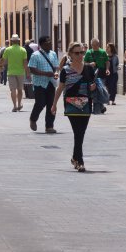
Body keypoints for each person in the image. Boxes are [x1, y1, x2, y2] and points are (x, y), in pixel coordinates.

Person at [50, 42, 97, 172]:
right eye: (77, 53)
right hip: (71, 103)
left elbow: (93, 84)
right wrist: (54, 105)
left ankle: (75, 157)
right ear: (70, 54)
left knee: (81, 133)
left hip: (86, 104)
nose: (80, 55)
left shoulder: (88, 68)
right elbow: (60, 88)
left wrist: (93, 87)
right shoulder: (65, 70)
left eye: (82, 53)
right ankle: (80, 161)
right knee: (78, 132)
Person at [28, 36, 60, 134]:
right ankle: (33, 119)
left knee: (51, 104)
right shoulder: (35, 55)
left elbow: (56, 67)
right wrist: (45, 73)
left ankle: (49, 126)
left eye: (50, 42)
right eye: (47, 43)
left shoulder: (53, 54)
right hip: (40, 83)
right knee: (40, 103)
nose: (50, 44)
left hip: (50, 83)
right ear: (41, 45)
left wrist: (55, 73)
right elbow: (32, 69)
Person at [1, 34, 29, 112]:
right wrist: (27, 73)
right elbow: (25, 63)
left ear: (12, 41)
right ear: (19, 41)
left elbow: (3, 61)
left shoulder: (8, 49)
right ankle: (19, 104)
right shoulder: (23, 50)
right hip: (21, 72)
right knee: (20, 89)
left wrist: (0, 67)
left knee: (13, 89)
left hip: (11, 72)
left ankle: (14, 106)